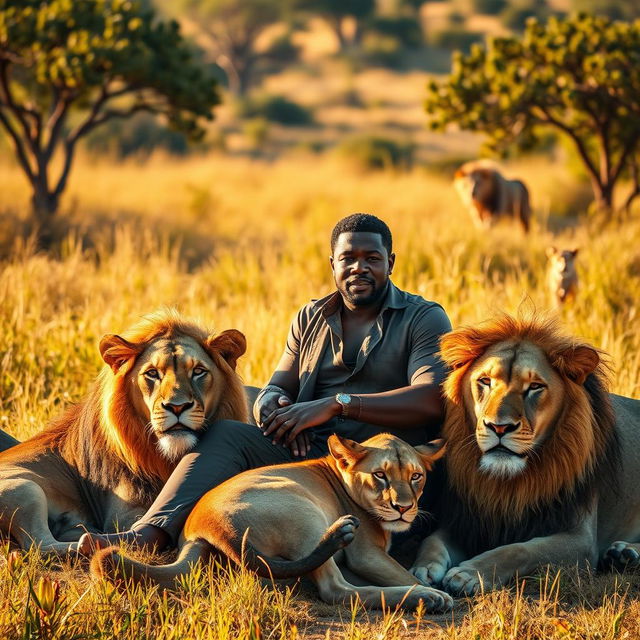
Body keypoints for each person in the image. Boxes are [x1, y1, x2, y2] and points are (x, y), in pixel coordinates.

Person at [78, 213, 452, 553]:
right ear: (332, 264)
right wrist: (277, 410)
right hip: (311, 453)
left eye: (372, 258)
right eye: (348, 259)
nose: (359, 268)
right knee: (225, 431)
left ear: (391, 262)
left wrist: (337, 404)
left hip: (380, 467)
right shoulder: (311, 316)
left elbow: (430, 397)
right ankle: (152, 533)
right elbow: (277, 386)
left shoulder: (423, 318)